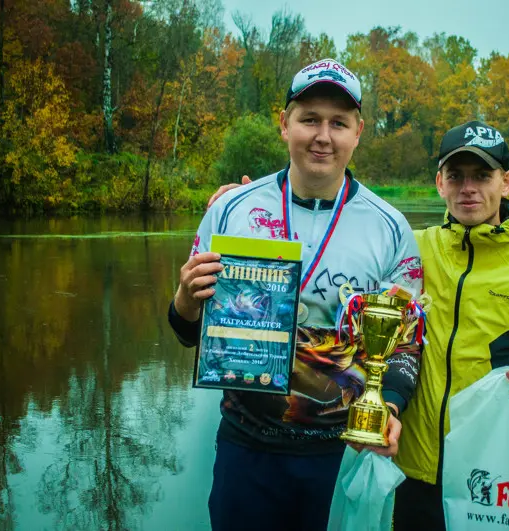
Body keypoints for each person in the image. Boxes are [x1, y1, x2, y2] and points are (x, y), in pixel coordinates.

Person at [209, 120, 509, 530]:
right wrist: (252, 205)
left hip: (493, 475)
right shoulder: (412, 246)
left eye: (482, 176)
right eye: (456, 176)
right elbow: (335, 244)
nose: (468, 188)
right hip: (412, 470)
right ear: (439, 183)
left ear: (507, 182)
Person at [168, 58, 423, 531]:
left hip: (343, 451)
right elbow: (187, 329)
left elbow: (406, 341)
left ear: (358, 132)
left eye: (338, 123)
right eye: (309, 119)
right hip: (247, 450)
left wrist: (387, 406)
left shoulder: (390, 228)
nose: (322, 136)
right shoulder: (231, 211)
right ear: (285, 125)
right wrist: (185, 299)